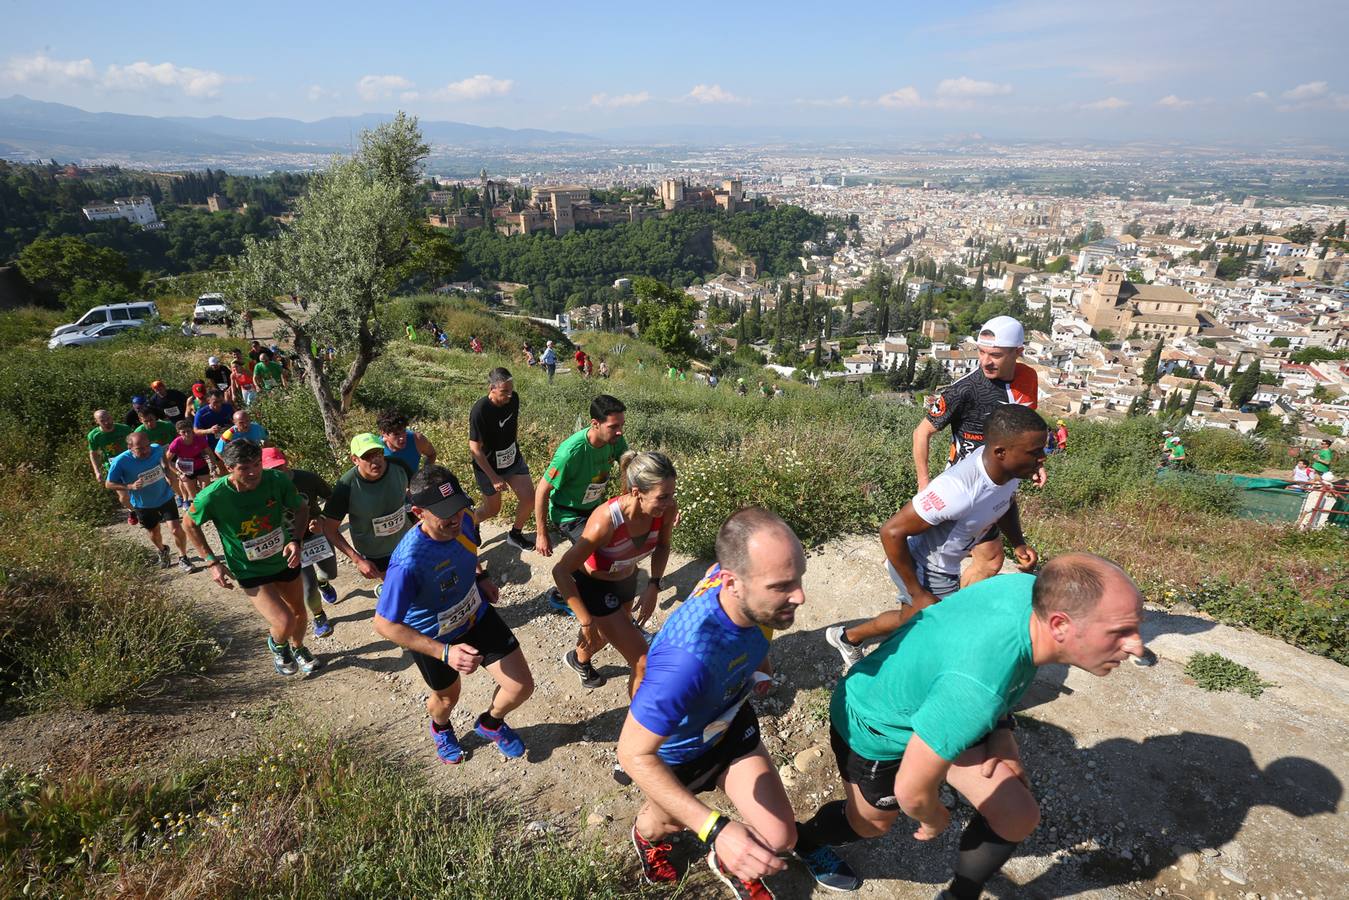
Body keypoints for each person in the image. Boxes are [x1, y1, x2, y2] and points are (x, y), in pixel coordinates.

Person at [796, 554, 1146, 900]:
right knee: (871, 824)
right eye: (1120, 632)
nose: (1136, 646)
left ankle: (960, 896)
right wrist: (932, 817)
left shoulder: (1031, 590)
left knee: (1016, 815)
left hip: (941, 700)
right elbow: (912, 791)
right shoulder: (977, 687)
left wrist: (1002, 731)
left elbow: (992, 664)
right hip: (875, 723)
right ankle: (803, 841)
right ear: (1059, 625)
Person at [617, 508, 854, 896]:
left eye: (798, 579)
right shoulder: (685, 663)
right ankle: (647, 839)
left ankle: (728, 864)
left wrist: (759, 669)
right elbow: (632, 754)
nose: (800, 596)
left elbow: (754, 633)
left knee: (780, 837)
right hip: (679, 754)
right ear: (732, 582)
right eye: (782, 586)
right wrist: (717, 830)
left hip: (728, 727)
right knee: (661, 824)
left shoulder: (748, 594)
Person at [825, 406, 1048, 671]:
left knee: (909, 618)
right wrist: (917, 592)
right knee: (937, 633)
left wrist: (1018, 542)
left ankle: (847, 638)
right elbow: (891, 531)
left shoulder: (1009, 470)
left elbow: (1005, 502)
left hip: (944, 566)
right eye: (1035, 452)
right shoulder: (957, 490)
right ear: (1001, 452)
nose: (1042, 458)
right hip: (926, 568)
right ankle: (885, 673)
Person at [374, 466, 534, 764]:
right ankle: (441, 727)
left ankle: (491, 723)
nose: (455, 518)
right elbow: (384, 623)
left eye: (457, 507)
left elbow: (467, 552)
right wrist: (444, 652)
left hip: (475, 614)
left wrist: (481, 576)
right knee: (448, 698)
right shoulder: (408, 562)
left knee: (521, 686)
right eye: (444, 512)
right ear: (419, 512)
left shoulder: (466, 520)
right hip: (435, 636)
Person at [915, 315, 1041, 588]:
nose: (985, 361)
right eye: (981, 352)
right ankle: (934, 609)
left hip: (1000, 485)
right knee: (980, 561)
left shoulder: (1029, 378)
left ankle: (940, 603)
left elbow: (1024, 432)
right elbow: (921, 432)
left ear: (1019, 352)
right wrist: (924, 484)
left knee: (988, 561)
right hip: (967, 490)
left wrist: (1034, 463)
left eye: (995, 355)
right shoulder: (965, 390)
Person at [184, 439, 319, 676]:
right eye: (244, 468)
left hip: (283, 558)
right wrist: (212, 562)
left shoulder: (276, 480)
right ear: (229, 468)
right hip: (249, 568)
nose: (254, 472)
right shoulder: (212, 496)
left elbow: (301, 508)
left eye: (257, 464)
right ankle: (277, 645)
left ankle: (298, 648)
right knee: (284, 620)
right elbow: (189, 524)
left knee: (299, 611)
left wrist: (296, 541)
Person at [553, 451, 676, 693]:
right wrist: (585, 620)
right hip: (594, 586)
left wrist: (653, 585)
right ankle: (639, 728)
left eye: (672, 495)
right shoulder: (605, 521)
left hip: (626, 579)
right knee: (643, 662)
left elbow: (663, 545)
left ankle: (579, 660)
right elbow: (561, 571)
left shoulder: (666, 510)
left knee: (607, 635)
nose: (669, 503)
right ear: (636, 493)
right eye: (662, 497)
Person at [534, 394, 628, 560]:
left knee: (617, 545)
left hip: (594, 507)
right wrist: (541, 534)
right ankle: (565, 580)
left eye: (622, 425)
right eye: (613, 426)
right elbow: (542, 490)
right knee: (598, 555)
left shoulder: (615, 439)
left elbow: (630, 467)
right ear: (595, 424)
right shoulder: (570, 453)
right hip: (568, 514)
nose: (620, 431)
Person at [262, 447, 339, 639]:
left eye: (280, 466)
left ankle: (324, 582)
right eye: (271, 469)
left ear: (287, 462)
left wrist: (321, 519)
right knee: (308, 585)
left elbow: (333, 499)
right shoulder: (261, 490)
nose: (277, 472)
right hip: (291, 544)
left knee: (330, 573)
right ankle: (319, 616)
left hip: (316, 535)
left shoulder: (307, 479)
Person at [322, 433, 413, 588]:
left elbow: (416, 494)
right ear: (355, 459)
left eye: (378, 453)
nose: (376, 460)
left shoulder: (399, 467)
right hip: (377, 553)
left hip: (407, 541)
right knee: (401, 588)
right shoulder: (346, 486)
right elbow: (329, 529)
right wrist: (358, 560)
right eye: (367, 456)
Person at [468, 368, 535, 552]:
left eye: (511, 390)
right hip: (488, 467)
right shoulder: (480, 411)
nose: (509, 395)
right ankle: (473, 521)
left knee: (529, 498)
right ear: (492, 388)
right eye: (504, 391)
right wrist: (494, 477)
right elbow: (475, 448)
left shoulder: (514, 399)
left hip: (512, 459)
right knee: (492, 510)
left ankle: (515, 534)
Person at [106, 431, 192, 572]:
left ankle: (183, 557)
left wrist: (167, 472)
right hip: (143, 504)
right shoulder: (120, 461)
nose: (146, 451)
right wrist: (130, 486)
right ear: (130, 448)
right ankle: (162, 550)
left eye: (147, 446)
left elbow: (164, 460)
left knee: (176, 529)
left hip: (165, 496)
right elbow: (109, 484)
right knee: (154, 532)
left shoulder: (156, 449)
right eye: (140, 449)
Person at [165, 417, 218, 506]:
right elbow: (167, 461)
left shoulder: (199, 439)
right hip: (185, 468)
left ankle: (208, 508)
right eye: (183, 432)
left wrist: (213, 465)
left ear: (192, 430)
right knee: (193, 495)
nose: (187, 434)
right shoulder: (176, 443)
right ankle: (193, 505)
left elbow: (209, 453)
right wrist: (179, 474)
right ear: (179, 433)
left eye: (189, 431)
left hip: (200, 465)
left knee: (206, 491)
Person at [378, 411, 438, 476]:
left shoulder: (417, 440)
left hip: (413, 484)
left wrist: (424, 474)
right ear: (383, 433)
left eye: (404, 431)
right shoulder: (377, 449)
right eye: (396, 434)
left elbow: (432, 454)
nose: (402, 438)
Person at [87, 409, 132, 486]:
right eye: (102, 421)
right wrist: (97, 472)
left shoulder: (125, 429)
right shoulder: (94, 435)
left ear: (111, 417)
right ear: (96, 421)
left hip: (130, 462)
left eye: (108, 419)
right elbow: (93, 453)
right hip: (112, 465)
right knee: (124, 495)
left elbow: (136, 444)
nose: (107, 422)